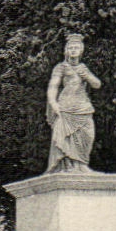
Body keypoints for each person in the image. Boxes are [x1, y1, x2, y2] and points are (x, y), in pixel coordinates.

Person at [45, 33, 101, 173]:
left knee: (88, 135)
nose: (73, 50)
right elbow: (53, 86)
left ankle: (82, 164)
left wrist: (86, 75)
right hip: (66, 107)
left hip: (83, 106)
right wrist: (53, 102)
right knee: (66, 138)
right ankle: (69, 165)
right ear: (66, 50)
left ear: (81, 50)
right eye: (71, 47)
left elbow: (97, 84)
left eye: (76, 47)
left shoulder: (83, 68)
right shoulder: (61, 67)